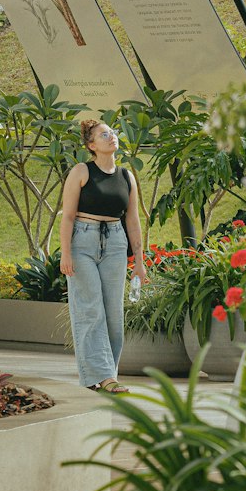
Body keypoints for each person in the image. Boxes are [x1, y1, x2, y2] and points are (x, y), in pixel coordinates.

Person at [59, 117, 148, 392]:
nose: (111, 137)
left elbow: (132, 220)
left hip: (116, 244)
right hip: (82, 243)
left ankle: (104, 374)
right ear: (91, 145)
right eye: (104, 135)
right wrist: (65, 254)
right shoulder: (81, 172)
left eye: (112, 133)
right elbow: (68, 217)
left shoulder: (126, 176)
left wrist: (139, 263)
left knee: (113, 315)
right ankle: (106, 378)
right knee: (90, 310)